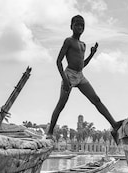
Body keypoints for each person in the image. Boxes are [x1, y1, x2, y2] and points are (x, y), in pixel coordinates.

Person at [47, 15, 123, 144]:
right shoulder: (68, 41)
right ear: (71, 26)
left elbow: (82, 64)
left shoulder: (83, 45)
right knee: (61, 104)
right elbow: (58, 61)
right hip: (69, 75)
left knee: (97, 100)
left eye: (82, 25)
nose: (79, 27)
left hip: (80, 75)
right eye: (77, 25)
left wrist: (92, 54)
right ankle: (49, 133)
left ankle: (114, 126)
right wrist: (65, 79)